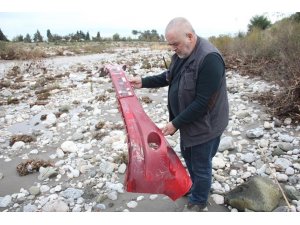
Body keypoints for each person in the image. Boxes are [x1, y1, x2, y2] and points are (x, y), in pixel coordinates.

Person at [129, 17, 229, 212]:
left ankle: (199, 200)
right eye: (170, 45)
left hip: (206, 126)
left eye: (175, 44)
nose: (173, 49)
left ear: (190, 36)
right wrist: (143, 81)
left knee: (201, 164)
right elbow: (169, 76)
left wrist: (175, 123)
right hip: (188, 123)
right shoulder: (182, 53)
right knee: (188, 155)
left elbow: (202, 103)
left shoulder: (210, 59)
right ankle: (194, 186)